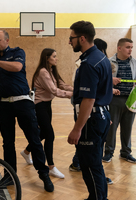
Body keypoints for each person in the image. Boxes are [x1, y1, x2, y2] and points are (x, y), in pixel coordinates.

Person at [0, 30, 54, 192]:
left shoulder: (17, 52)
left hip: (23, 103)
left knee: (34, 140)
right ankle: (10, 175)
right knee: (8, 143)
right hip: (3, 106)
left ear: (7, 41)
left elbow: (17, 67)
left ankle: (44, 174)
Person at [67, 21, 113, 200]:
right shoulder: (101, 57)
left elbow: (89, 99)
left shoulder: (89, 63)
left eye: (71, 38)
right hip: (101, 116)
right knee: (95, 164)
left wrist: (77, 129)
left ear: (82, 38)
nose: (69, 42)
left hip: (91, 120)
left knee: (89, 165)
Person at [20, 48, 73, 179]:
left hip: (47, 105)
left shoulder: (51, 70)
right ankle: (51, 167)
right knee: (50, 135)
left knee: (43, 133)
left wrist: (77, 90)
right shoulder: (43, 72)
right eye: (54, 56)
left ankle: (26, 152)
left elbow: (61, 84)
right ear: (47, 58)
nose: (57, 58)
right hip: (39, 106)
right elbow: (54, 90)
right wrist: (72, 95)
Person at [103, 38, 136, 163]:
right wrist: (111, 81)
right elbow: (102, 80)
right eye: (128, 47)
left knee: (128, 128)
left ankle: (126, 153)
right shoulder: (108, 62)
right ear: (119, 48)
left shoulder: (134, 62)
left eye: (131, 47)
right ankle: (108, 152)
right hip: (114, 100)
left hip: (130, 100)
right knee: (111, 128)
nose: (130, 50)